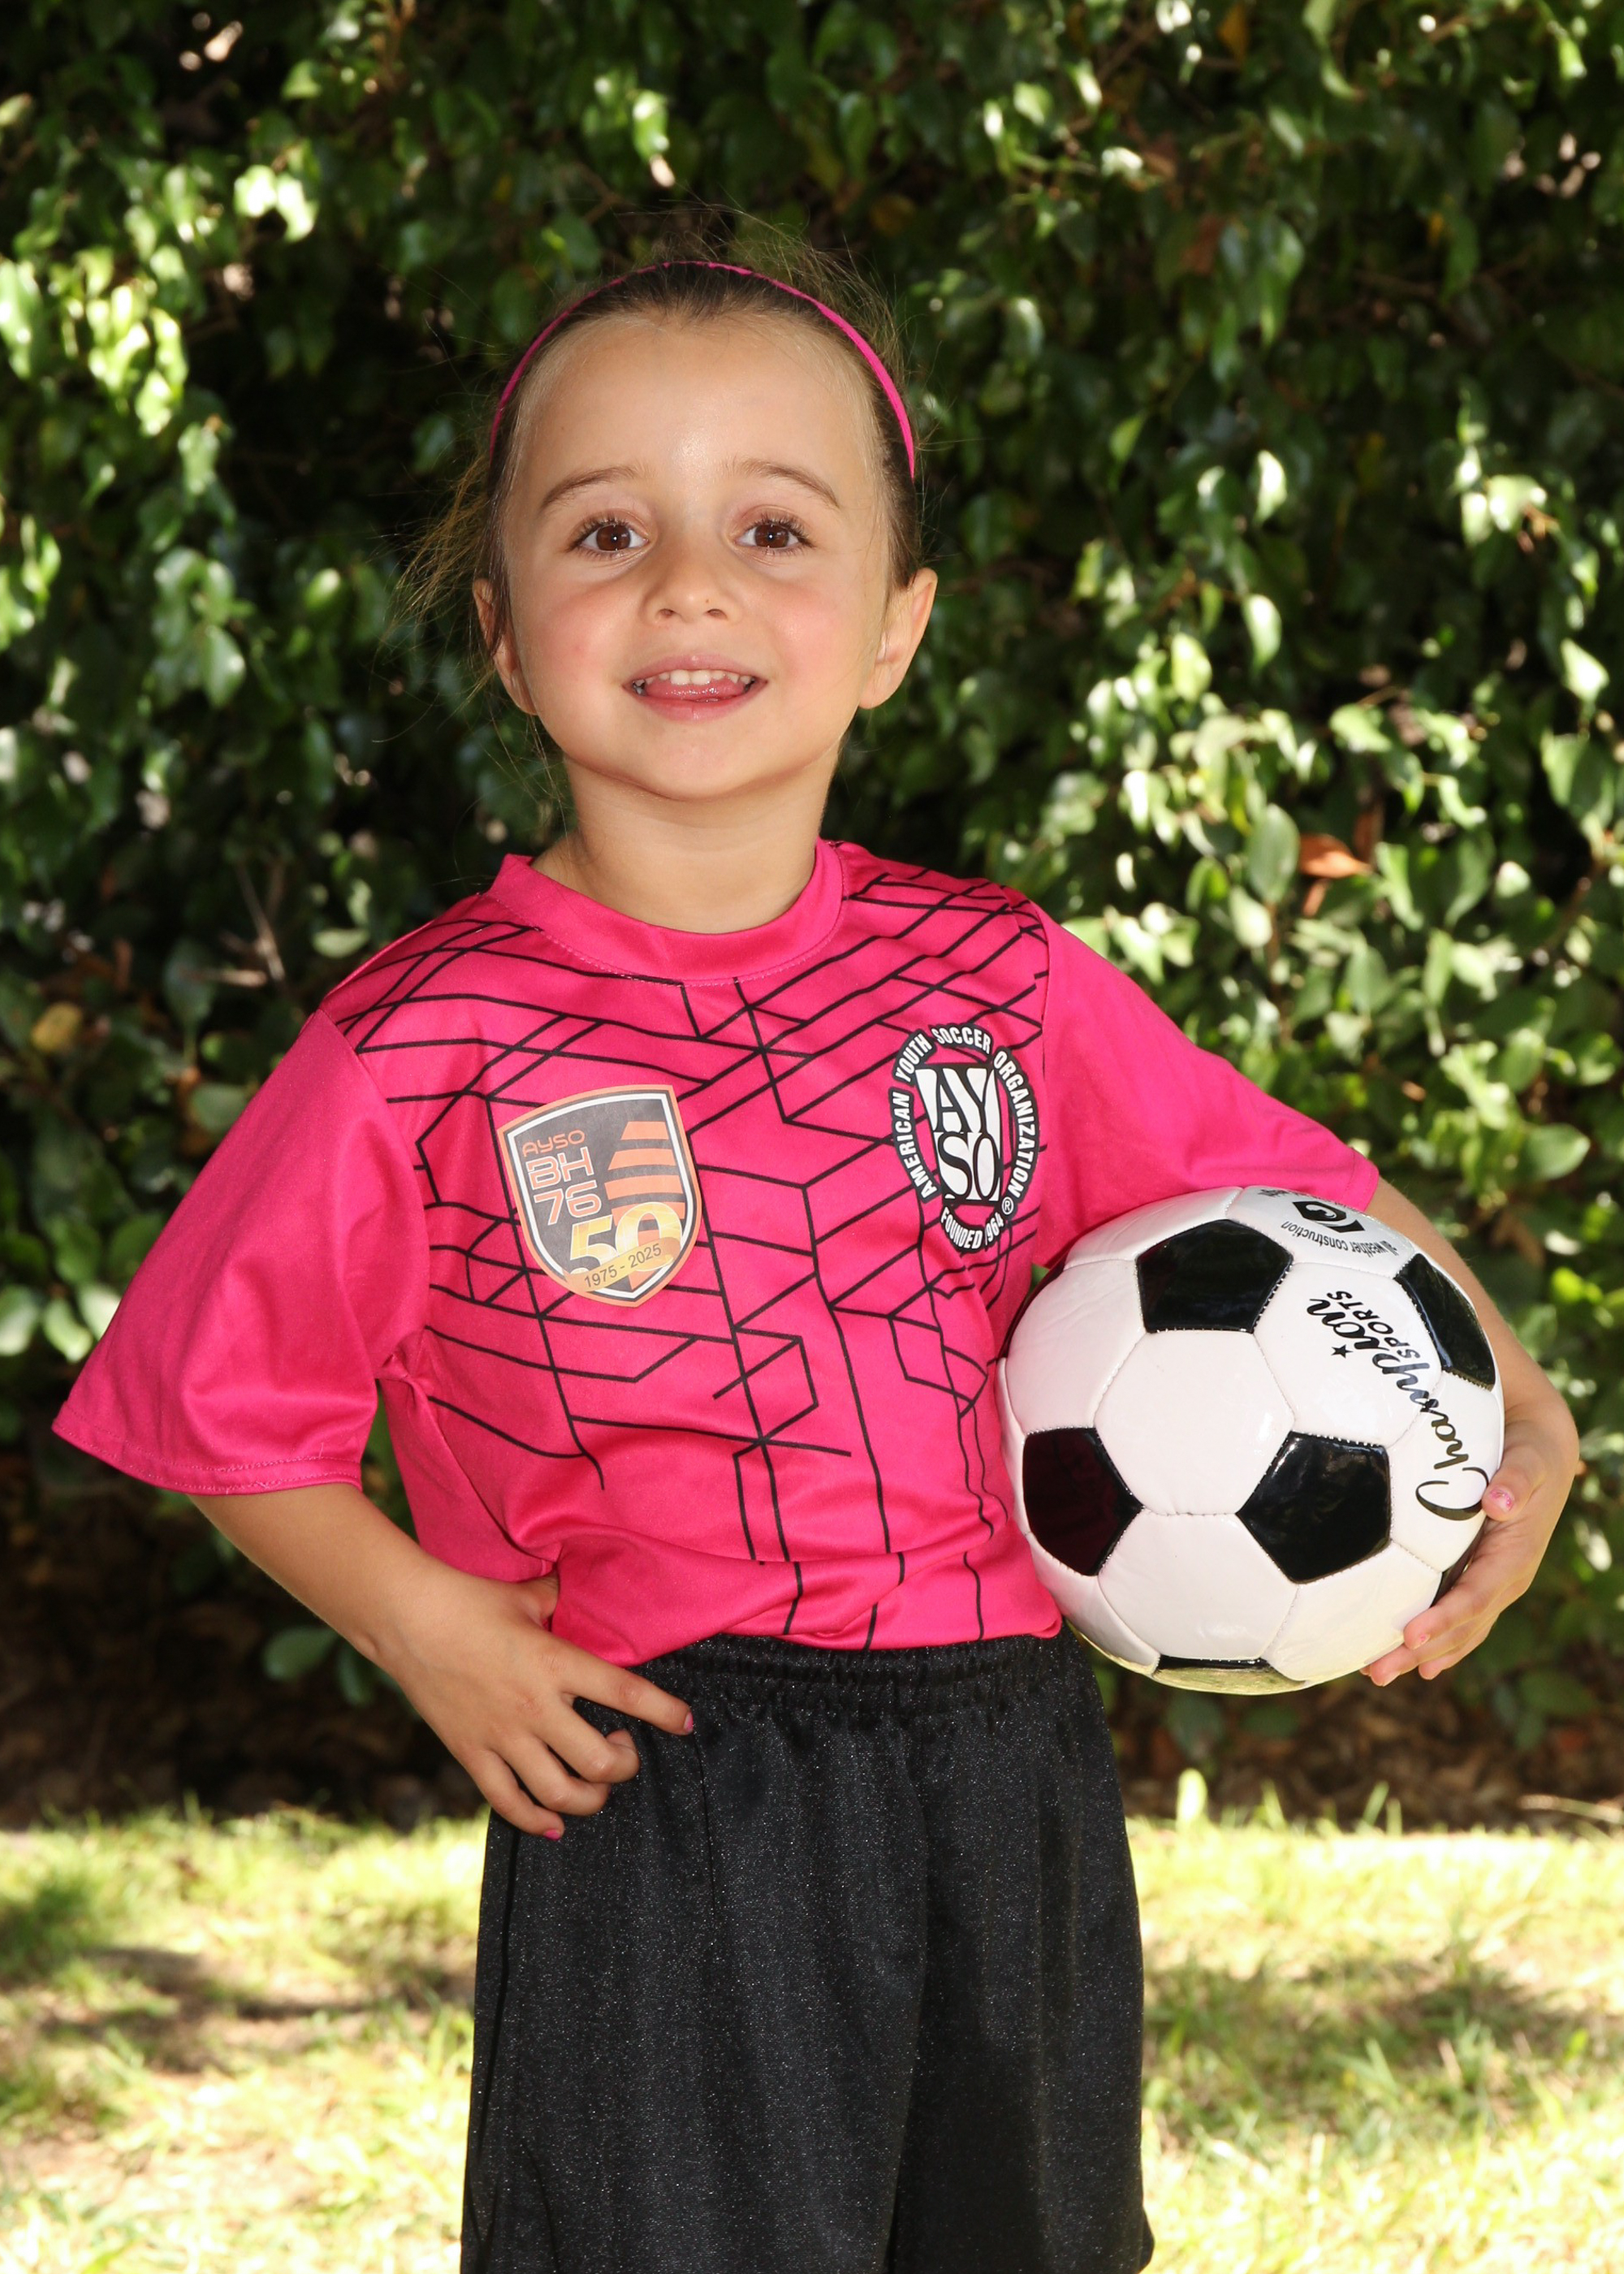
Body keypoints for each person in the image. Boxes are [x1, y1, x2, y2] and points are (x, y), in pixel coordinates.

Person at [55, 240, 1579, 2274]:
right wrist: (428, 1628)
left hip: (1012, 1760)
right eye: (607, 531)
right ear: (504, 633)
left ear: (894, 626)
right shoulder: (423, 1041)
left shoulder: (1000, 979)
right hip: (671, 1777)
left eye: (772, 527)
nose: (688, 584)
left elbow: (1309, 1194)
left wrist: (1525, 1408)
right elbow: (212, 1404)